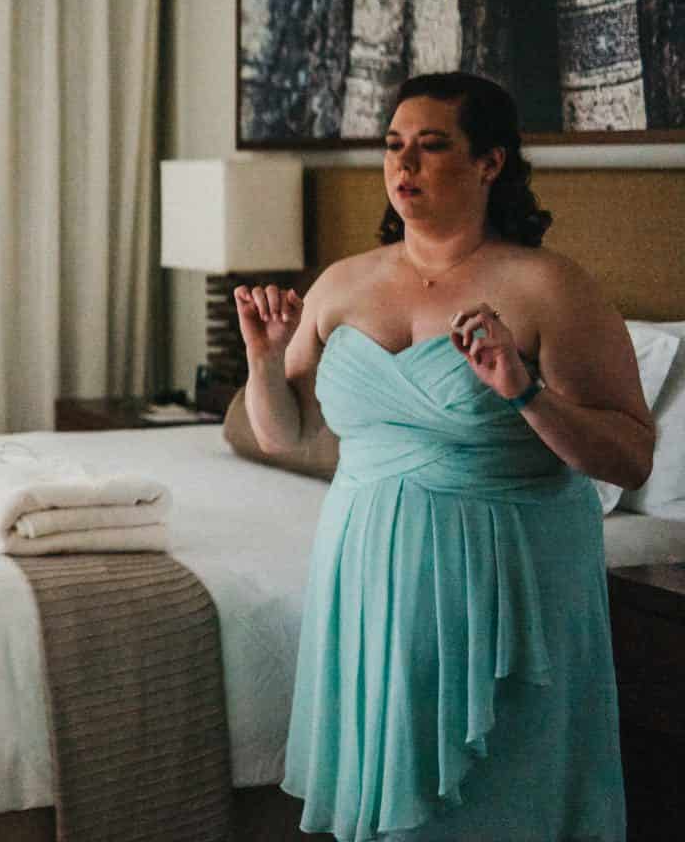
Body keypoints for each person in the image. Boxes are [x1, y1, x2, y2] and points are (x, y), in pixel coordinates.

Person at [240, 71, 652, 841]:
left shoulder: (548, 286)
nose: (404, 165)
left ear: (490, 162)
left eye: (431, 146)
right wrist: (264, 360)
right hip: (366, 569)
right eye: (394, 145)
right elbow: (281, 434)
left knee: (496, 797)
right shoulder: (341, 283)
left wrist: (524, 391)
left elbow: (630, 458)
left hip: (503, 578)